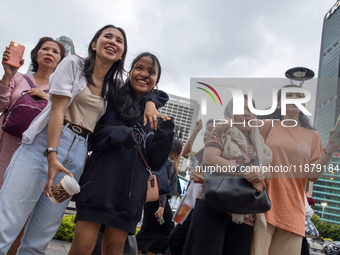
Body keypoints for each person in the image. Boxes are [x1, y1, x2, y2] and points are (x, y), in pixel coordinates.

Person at [0, 24, 130, 254]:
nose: (112, 41)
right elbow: (57, 110)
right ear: (94, 43)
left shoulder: (113, 87)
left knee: (41, 235)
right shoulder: (73, 64)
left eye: (119, 40)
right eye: (106, 36)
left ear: (122, 53)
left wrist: (151, 103)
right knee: (6, 225)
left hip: (75, 162)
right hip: (42, 147)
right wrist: (52, 154)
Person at [68, 52, 174, 255]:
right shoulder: (112, 98)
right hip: (99, 184)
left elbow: (156, 163)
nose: (144, 74)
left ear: (156, 80)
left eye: (151, 72)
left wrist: (165, 135)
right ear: (131, 71)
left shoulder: (157, 117)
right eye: (139, 68)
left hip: (130, 192)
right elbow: (95, 137)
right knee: (81, 248)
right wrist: (127, 134)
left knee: (114, 249)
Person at [249, 85, 340, 255]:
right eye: (288, 95)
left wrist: (331, 147)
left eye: (299, 96)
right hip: (261, 208)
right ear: (278, 104)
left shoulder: (313, 136)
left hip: (293, 214)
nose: (294, 98)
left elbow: (313, 175)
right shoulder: (265, 126)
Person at [182, 96, 272, 255]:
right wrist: (244, 170)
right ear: (231, 113)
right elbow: (210, 159)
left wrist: (260, 175)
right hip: (214, 206)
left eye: (250, 110)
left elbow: (265, 175)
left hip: (245, 214)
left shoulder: (260, 147)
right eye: (241, 109)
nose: (246, 114)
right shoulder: (221, 131)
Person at [0, 37, 66, 188]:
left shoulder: (61, 91)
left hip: (35, 148)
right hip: (6, 142)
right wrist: (8, 75)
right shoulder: (18, 78)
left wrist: (50, 100)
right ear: (36, 55)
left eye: (55, 52)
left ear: (61, 61)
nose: (49, 53)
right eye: (45, 49)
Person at [168, 119, 213, 255]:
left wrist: (204, 179)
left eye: (210, 129)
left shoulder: (221, 155)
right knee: (175, 240)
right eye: (206, 130)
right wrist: (195, 131)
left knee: (184, 242)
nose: (206, 133)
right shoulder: (202, 153)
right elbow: (185, 153)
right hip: (189, 204)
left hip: (202, 205)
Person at [136, 139, 182, 255]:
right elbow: (163, 184)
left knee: (147, 231)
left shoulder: (156, 158)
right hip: (160, 202)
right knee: (166, 232)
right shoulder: (168, 163)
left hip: (150, 201)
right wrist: (161, 206)